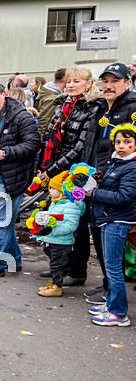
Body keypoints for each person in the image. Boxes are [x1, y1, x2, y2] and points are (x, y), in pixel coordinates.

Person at [76, 63, 136, 305]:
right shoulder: (100, 107)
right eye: (105, 81)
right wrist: (83, 171)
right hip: (97, 180)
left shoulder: (132, 109)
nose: (109, 86)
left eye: (115, 81)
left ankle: (114, 295)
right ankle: (108, 286)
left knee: (114, 241)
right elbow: (91, 144)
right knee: (100, 235)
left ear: (127, 83)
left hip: (118, 184)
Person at [36, 67, 101, 285]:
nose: (71, 85)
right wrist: (45, 166)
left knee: (77, 222)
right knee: (56, 216)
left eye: (77, 81)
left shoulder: (92, 108)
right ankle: (60, 265)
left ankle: (77, 271)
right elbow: (49, 137)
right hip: (56, 169)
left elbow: (80, 146)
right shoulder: (63, 105)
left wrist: (52, 170)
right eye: (69, 81)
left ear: (89, 83)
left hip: (75, 172)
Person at [0, 81, 40, 276]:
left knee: (0, 222)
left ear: (4, 94)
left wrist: (4, 153)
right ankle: (14, 259)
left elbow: (33, 145)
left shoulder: (20, 116)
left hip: (9, 178)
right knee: (5, 221)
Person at [87, 124, 136, 327]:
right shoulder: (117, 163)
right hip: (110, 218)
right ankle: (112, 304)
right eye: (118, 142)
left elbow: (124, 197)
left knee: (114, 268)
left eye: (127, 142)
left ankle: (119, 313)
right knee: (110, 266)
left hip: (118, 220)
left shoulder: (132, 167)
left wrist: (94, 193)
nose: (121, 145)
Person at [34, 172, 85, 297]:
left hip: (62, 241)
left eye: (53, 188)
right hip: (52, 239)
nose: (50, 191)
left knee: (56, 265)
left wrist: (52, 231)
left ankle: (57, 286)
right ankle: (54, 283)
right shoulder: (55, 203)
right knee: (54, 263)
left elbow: (71, 225)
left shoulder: (71, 206)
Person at [34, 68, 66, 140]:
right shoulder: (52, 99)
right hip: (44, 138)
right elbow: (44, 121)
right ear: (65, 79)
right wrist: (40, 141)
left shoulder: (46, 92)